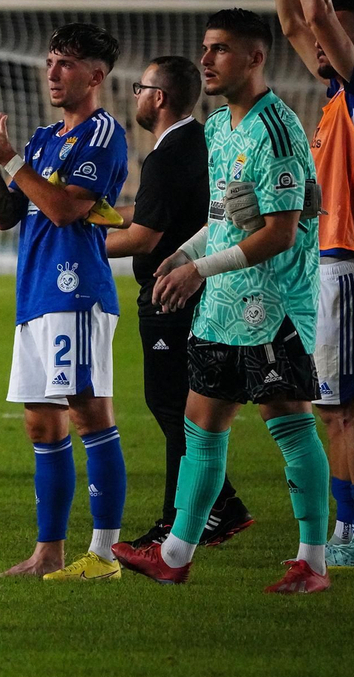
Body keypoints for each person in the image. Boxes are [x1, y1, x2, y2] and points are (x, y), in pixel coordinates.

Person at [114, 8, 329, 593]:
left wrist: (198, 269)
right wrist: (185, 257)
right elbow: (223, 221)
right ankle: (176, 554)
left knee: (288, 424)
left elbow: (281, 232)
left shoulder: (277, 129)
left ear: (257, 58)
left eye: (221, 50)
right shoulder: (216, 129)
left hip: (272, 308)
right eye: (205, 49)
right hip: (221, 303)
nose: (206, 60)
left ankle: (313, 561)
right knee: (201, 426)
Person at [0, 23, 130, 581]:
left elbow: (63, 209)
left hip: (74, 290)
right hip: (34, 296)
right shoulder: (42, 138)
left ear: (96, 76)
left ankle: (103, 556)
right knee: (41, 424)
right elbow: (9, 215)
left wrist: (10, 158)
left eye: (68, 63)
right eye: (51, 60)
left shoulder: (103, 134)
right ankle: (48, 553)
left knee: (87, 412)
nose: (53, 72)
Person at [271, 0, 354, 568]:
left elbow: (313, 16)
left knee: (348, 408)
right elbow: (293, 20)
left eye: (332, 32)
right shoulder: (343, 95)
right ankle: (352, 530)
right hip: (337, 265)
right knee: (336, 406)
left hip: (351, 263)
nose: (316, 40)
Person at [105, 56, 253, 551]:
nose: (136, 96)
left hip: (173, 292)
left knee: (174, 408)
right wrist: (97, 216)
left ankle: (187, 516)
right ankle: (215, 505)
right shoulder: (194, 141)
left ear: (159, 97)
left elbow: (147, 237)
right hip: (196, 290)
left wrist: (76, 244)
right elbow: (155, 212)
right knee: (180, 408)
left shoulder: (168, 154)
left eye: (140, 88)